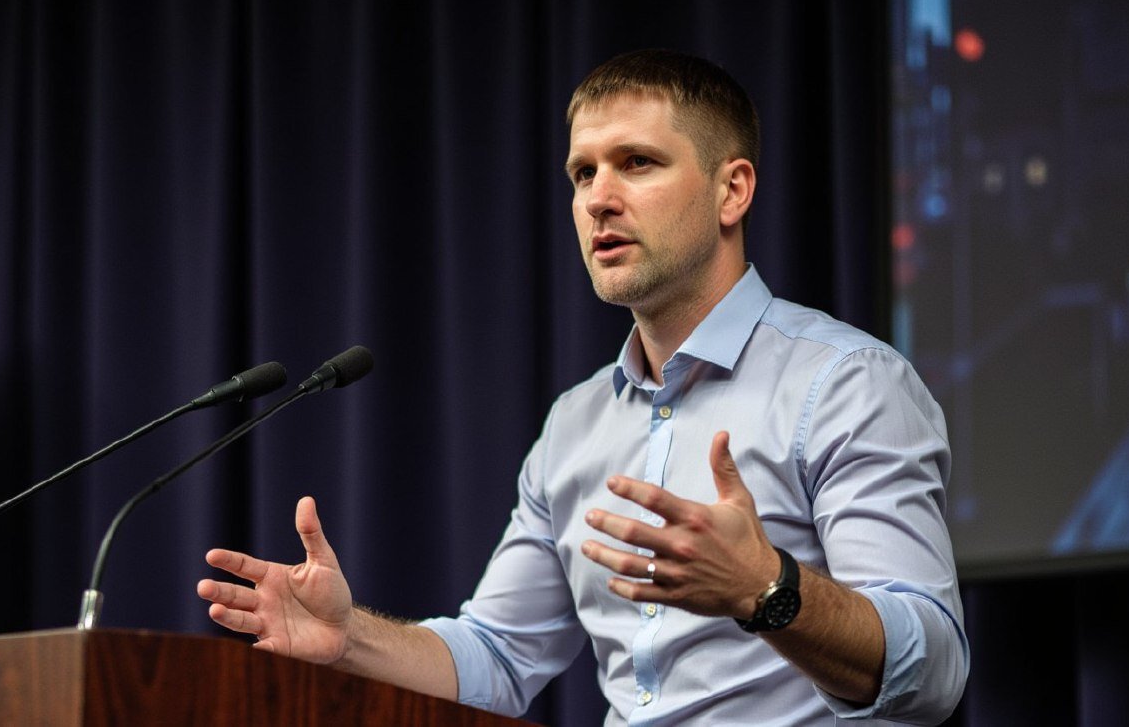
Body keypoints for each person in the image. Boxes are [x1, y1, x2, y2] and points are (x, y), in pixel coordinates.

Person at [196, 49, 969, 725]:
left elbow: (934, 670)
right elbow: (498, 656)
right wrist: (349, 639)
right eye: (582, 172)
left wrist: (765, 587)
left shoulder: (847, 383)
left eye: (638, 162)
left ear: (732, 191)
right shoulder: (576, 422)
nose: (599, 197)